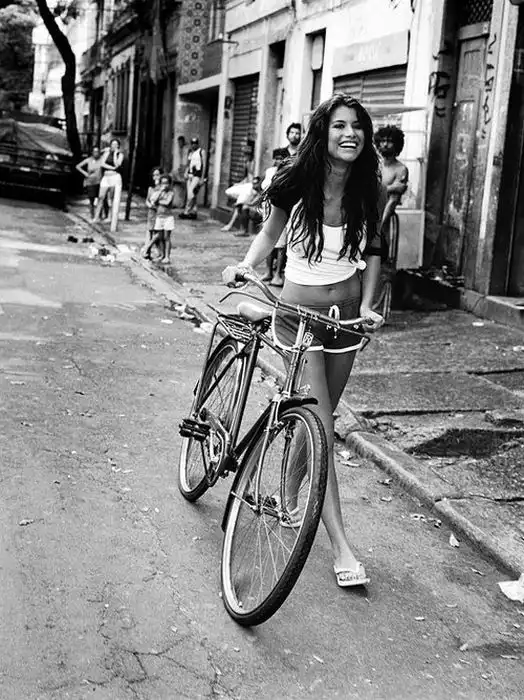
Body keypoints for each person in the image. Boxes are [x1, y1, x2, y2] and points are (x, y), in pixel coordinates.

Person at [223, 93, 385, 588]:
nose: (349, 134)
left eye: (357, 126)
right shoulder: (296, 181)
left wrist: (369, 305)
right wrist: (245, 266)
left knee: (318, 421)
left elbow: (375, 251)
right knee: (323, 426)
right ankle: (340, 547)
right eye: (339, 125)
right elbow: (269, 234)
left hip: (346, 320)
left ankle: (291, 498)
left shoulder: (368, 187)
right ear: (323, 132)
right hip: (299, 317)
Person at [374, 125, 409, 236]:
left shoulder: (401, 169)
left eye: (389, 141)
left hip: (383, 218)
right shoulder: (373, 165)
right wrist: (391, 188)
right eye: (382, 141)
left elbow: (393, 201)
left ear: (397, 144)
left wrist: (380, 226)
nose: (385, 144)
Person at [221, 141, 256, 232]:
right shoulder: (247, 163)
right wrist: (239, 183)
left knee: (240, 203)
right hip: (246, 186)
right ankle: (239, 206)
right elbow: (248, 177)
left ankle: (230, 225)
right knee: (229, 191)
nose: (245, 156)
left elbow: (255, 179)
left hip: (251, 188)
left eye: (247, 154)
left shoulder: (254, 163)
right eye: (245, 154)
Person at [92, 138, 125, 233]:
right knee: (101, 196)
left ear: (118, 146)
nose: (114, 146)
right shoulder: (106, 153)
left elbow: (117, 164)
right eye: (112, 144)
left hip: (115, 177)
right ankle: (96, 217)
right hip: (106, 176)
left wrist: (115, 154)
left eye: (116, 144)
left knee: (111, 198)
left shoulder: (120, 155)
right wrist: (111, 167)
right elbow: (102, 163)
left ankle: (110, 217)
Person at [75, 145, 105, 219]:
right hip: (90, 182)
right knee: (91, 200)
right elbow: (78, 166)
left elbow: (106, 152)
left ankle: (99, 216)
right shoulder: (89, 160)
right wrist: (85, 173)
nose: (96, 153)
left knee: (100, 199)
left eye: (97, 151)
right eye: (94, 151)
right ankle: (92, 215)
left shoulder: (102, 159)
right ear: (92, 152)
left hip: (99, 182)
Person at [180, 136, 205, 220]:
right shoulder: (190, 152)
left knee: (191, 193)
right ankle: (194, 211)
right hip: (190, 174)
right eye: (192, 143)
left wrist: (202, 177)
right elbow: (188, 163)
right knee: (192, 194)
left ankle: (186, 211)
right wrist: (186, 172)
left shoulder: (201, 152)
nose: (194, 145)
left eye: (195, 143)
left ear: (198, 144)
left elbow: (204, 165)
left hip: (197, 174)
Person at [154, 173, 175, 264]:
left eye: (166, 183)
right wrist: (159, 192)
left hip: (168, 217)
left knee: (166, 237)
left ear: (169, 184)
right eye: (162, 183)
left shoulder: (171, 193)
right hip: (159, 216)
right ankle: (162, 255)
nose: (164, 185)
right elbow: (153, 200)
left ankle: (167, 256)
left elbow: (167, 202)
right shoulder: (159, 192)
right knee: (160, 237)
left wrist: (159, 201)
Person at [142, 166, 162, 260]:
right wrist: (150, 205)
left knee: (158, 233)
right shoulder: (151, 188)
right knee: (149, 231)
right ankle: (148, 252)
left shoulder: (163, 189)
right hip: (151, 212)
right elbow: (147, 200)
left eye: (157, 175)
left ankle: (147, 248)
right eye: (154, 175)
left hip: (159, 212)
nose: (155, 177)